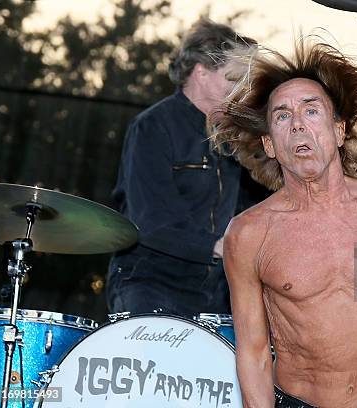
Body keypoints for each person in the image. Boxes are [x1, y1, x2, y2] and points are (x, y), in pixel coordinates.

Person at [214, 41, 357, 407]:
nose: (297, 124)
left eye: (311, 111)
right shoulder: (250, 233)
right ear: (270, 145)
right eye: (282, 116)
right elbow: (254, 352)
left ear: (339, 131)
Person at [106, 18, 260, 318]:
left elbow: (254, 208)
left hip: (214, 291)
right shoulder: (153, 127)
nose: (243, 89)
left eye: (248, 81)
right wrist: (220, 246)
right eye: (234, 78)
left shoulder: (235, 137)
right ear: (201, 72)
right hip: (150, 284)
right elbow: (152, 220)